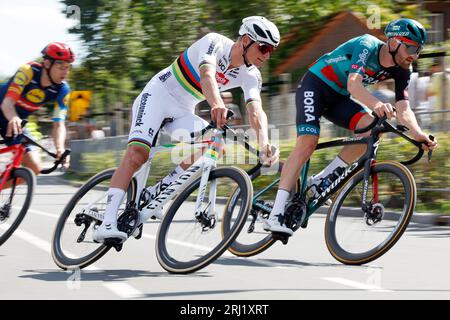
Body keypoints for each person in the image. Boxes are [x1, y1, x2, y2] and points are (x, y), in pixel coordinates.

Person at [94, 16, 281, 243]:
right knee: (137, 155)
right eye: (263, 47)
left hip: (183, 110)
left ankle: (159, 190)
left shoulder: (252, 75)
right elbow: (207, 75)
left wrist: (264, 143)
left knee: (216, 143)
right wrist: (217, 105)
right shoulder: (215, 42)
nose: (267, 54)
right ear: (244, 40)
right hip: (158, 95)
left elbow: (255, 110)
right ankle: (106, 223)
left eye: (271, 50)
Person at [264, 18, 438, 236]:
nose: (414, 54)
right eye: (411, 47)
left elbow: (404, 110)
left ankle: (319, 181)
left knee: (371, 131)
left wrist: (419, 134)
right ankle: (276, 214)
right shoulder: (367, 45)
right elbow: (353, 84)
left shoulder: (403, 67)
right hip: (315, 86)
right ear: (393, 42)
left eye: (418, 50)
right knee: (308, 143)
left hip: (339, 98)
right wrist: (376, 104)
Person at [0, 42, 73, 175]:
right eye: (60, 65)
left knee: (34, 169)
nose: (65, 71)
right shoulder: (28, 71)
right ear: (46, 63)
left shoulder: (62, 89)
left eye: (68, 66)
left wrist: (60, 148)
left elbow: (58, 124)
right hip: (8, 112)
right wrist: (14, 117)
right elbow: (7, 103)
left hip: (15, 121)